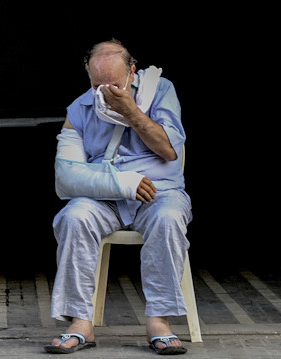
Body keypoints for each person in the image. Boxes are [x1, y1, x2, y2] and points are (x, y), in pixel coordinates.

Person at [44, 39, 192, 355]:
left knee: (169, 218)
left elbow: (169, 150)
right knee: (73, 216)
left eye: (114, 84)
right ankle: (80, 322)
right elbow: (66, 177)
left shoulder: (161, 91)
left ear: (132, 72)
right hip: (105, 198)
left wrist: (131, 110)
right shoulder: (80, 108)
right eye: (98, 85)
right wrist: (122, 184)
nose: (106, 93)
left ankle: (159, 322)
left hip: (159, 193)